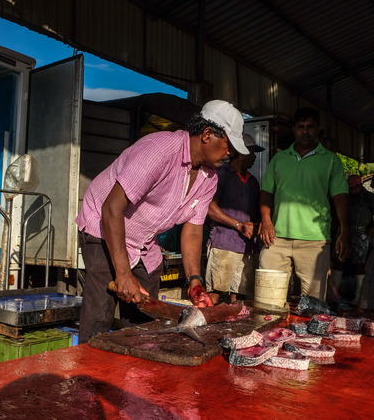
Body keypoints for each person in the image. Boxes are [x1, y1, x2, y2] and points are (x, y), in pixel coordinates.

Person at [76, 99, 250, 343]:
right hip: (104, 225)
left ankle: (133, 375)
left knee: (147, 323)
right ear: (208, 135)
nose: (231, 154)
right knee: (99, 319)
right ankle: (90, 375)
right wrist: (124, 274)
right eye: (229, 146)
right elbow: (111, 207)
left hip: (143, 241)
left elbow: (192, 229)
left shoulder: (210, 176)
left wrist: (195, 282)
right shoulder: (159, 150)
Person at [259, 107, 350, 301]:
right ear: (294, 129)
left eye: (310, 126)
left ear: (318, 129)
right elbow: (266, 193)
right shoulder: (279, 159)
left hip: (315, 241)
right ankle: (273, 332)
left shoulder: (331, 161)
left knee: (313, 304)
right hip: (277, 238)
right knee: (269, 298)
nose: (305, 131)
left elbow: (340, 197)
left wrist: (345, 230)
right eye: (301, 127)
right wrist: (266, 220)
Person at [205, 133, 264, 304]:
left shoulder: (253, 182)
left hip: (248, 248)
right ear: (241, 151)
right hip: (224, 245)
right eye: (252, 152)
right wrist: (238, 225)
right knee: (214, 294)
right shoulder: (221, 174)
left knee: (240, 298)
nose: (254, 157)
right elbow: (210, 208)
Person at [346, 174, 374, 305]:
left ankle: (358, 296)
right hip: (345, 231)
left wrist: (369, 231)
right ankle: (338, 293)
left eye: (353, 188)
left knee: (360, 263)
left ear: (360, 186)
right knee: (339, 259)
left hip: (361, 233)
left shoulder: (369, 197)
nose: (351, 190)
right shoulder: (346, 197)